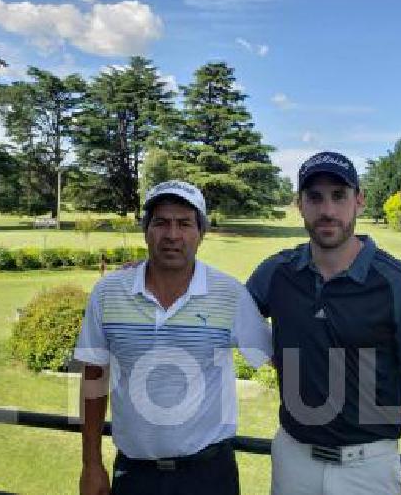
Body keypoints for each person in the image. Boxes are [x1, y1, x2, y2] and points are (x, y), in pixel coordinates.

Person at [246, 151, 401, 495]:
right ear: (300, 204)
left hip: (369, 467)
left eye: (339, 196)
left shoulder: (398, 283)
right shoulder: (277, 273)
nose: (327, 210)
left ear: (359, 201)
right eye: (315, 197)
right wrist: (148, 273)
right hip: (293, 459)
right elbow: (224, 309)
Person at [74, 180, 272, 495]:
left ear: (201, 233)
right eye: (161, 223)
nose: (172, 235)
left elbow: (278, 357)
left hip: (209, 476)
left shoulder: (229, 295)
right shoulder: (108, 293)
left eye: (184, 224)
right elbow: (93, 378)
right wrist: (91, 464)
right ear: (146, 230)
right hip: (135, 475)